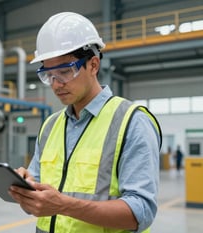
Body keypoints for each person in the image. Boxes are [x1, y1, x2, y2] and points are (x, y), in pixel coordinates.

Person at [8, 12, 162, 233]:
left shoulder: (131, 122)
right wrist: (26, 186)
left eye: (64, 71)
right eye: (47, 74)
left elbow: (141, 212)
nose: (56, 84)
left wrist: (64, 205)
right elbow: (39, 188)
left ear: (93, 65)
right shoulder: (51, 126)